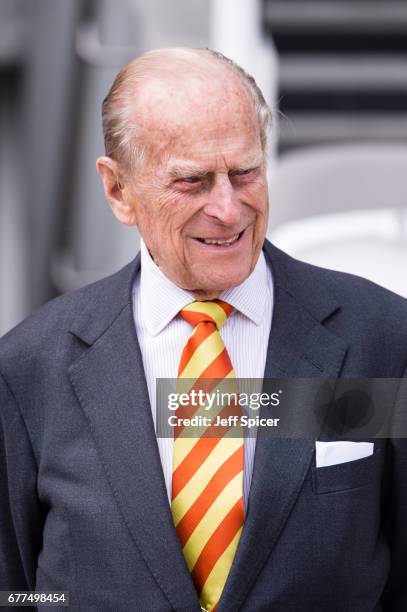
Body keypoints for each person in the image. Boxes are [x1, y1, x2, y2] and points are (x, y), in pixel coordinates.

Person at [1, 47, 407, 612]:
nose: (228, 208)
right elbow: (15, 591)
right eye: (192, 181)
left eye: (245, 173)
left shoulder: (383, 338)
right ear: (119, 191)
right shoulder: (29, 367)